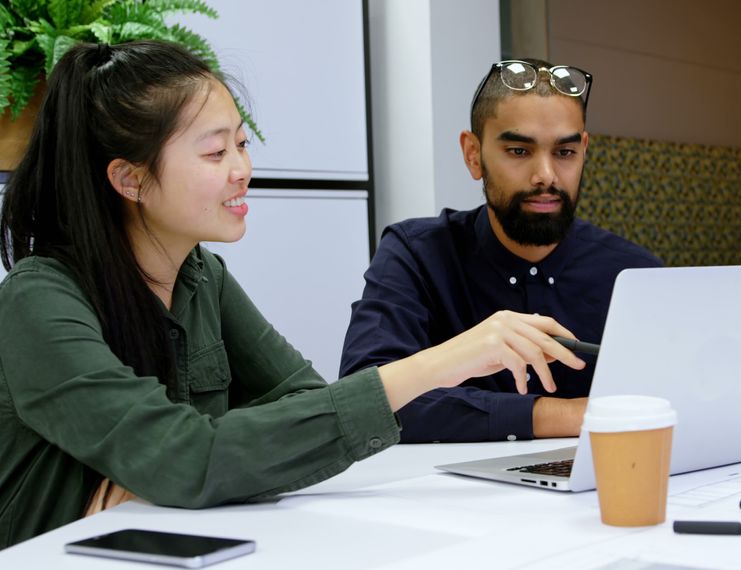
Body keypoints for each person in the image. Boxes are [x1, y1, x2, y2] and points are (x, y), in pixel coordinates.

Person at [0, 42, 586, 549]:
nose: (242, 169)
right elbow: (193, 459)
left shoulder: (204, 277)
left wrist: (183, 458)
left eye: (242, 145)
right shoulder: (38, 302)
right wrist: (446, 360)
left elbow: (299, 400)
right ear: (130, 179)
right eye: (214, 152)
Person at [340, 59, 662, 443]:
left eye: (565, 153)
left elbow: (675, 399)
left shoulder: (637, 275)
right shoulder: (417, 255)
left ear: (584, 150)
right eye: (519, 151)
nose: (546, 175)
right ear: (473, 154)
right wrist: (563, 416)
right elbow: (364, 397)